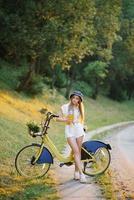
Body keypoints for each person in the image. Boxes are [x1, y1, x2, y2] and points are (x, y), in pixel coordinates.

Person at [56, 90, 87, 183]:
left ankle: (77, 172)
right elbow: (57, 119)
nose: (75, 100)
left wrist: (81, 124)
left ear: (79, 101)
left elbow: (80, 120)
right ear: (71, 98)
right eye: (73, 97)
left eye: (77, 99)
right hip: (69, 131)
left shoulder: (79, 108)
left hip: (79, 131)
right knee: (76, 151)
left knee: (78, 152)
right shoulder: (64, 107)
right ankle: (82, 174)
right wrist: (65, 119)